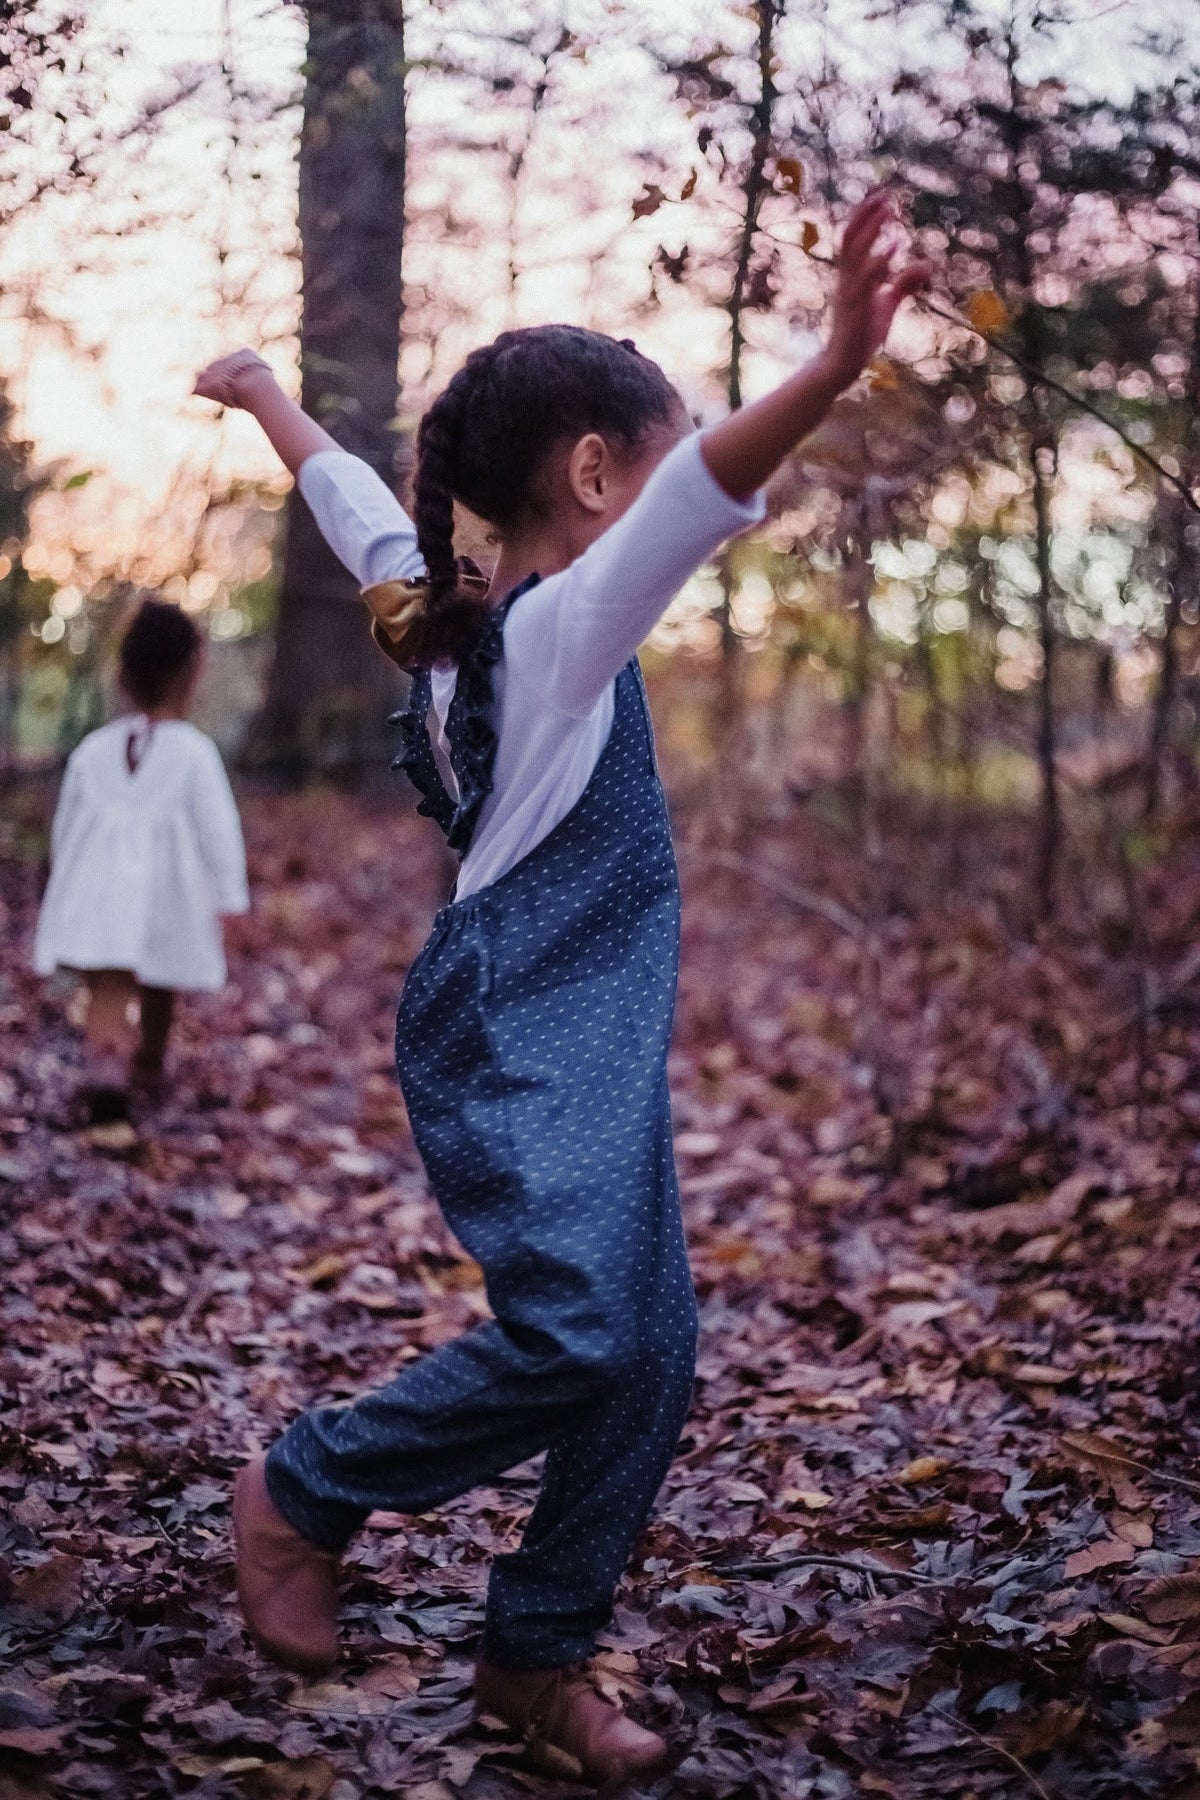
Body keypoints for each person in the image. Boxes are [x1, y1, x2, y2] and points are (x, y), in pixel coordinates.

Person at [195, 191, 925, 1785]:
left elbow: (351, 508)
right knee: (586, 1335)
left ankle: (536, 1656)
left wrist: (264, 395)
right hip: (522, 1027)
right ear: (596, 477)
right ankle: (308, 1487)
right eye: (646, 469)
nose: (661, 504)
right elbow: (705, 499)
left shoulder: (439, 612)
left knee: (653, 1349)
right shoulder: (563, 630)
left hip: (579, 1027)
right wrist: (832, 363)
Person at [34, 598, 249, 1117]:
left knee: (107, 981)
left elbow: (67, 829)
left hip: (99, 890)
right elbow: (218, 830)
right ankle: (140, 1066)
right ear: (191, 674)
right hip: (164, 894)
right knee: (159, 975)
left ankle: (107, 1063)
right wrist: (231, 898)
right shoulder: (194, 753)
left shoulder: (93, 750)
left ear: (123, 673)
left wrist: (64, 881)